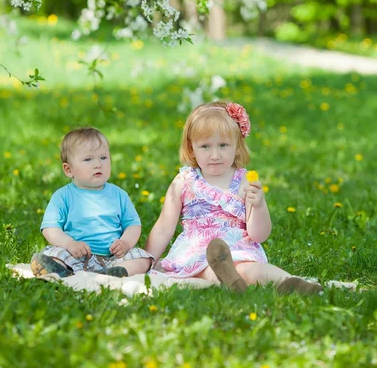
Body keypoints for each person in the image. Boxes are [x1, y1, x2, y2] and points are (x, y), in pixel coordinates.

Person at [145, 101, 322, 295]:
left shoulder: (245, 181)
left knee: (250, 269)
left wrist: (259, 205)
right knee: (205, 270)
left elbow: (259, 235)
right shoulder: (184, 181)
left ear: (237, 146)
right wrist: (146, 261)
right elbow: (163, 228)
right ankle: (231, 280)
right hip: (197, 250)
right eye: (205, 146)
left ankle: (290, 283)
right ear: (191, 148)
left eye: (223, 145)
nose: (215, 154)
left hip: (237, 247)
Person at [31, 127, 153, 278]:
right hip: (75, 255)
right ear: (69, 170)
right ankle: (60, 270)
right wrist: (70, 244)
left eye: (103, 158)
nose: (98, 164)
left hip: (112, 259)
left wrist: (126, 243)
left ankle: (115, 273)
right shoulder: (62, 196)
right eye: (88, 159)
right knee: (54, 253)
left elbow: (133, 225)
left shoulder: (119, 195)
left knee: (144, 258)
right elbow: (50, 228)